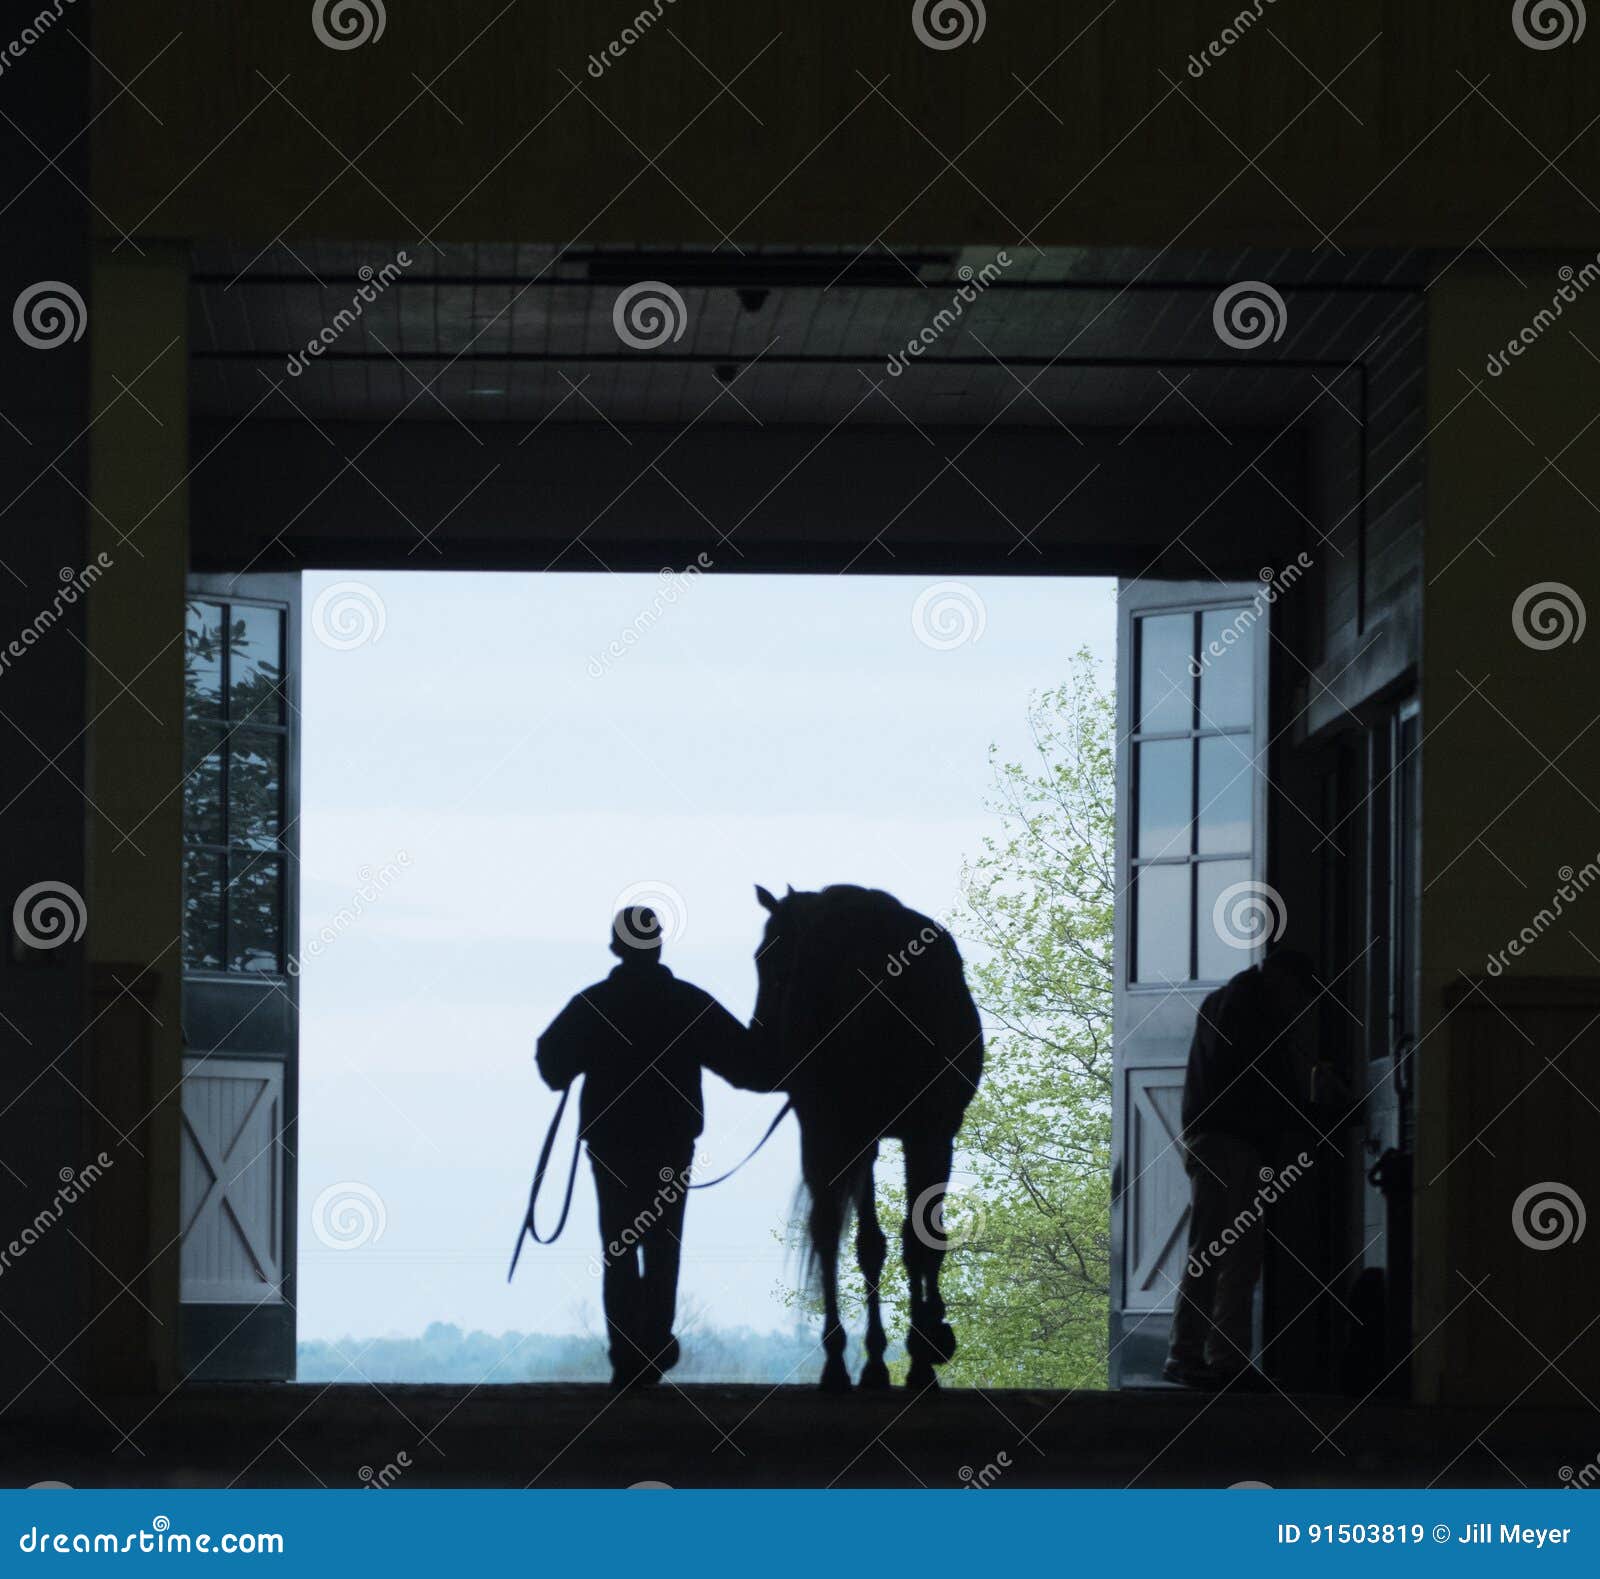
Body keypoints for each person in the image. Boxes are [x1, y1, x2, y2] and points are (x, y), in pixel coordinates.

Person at [535, 906, 752, 1389]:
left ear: (616, 948)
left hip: (611, 1147)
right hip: (670, 1147)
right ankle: (651, 1347)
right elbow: (746, 1063)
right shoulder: (687, 1003)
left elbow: (550, 1062)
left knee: (618, 1247)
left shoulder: (594, 1004)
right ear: (658, 946)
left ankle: (627, 1356)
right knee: (662, 1247)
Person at [1164, 947, 1319, 1390]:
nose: (1298, 1004)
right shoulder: (1250, 1011)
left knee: (1224, 1249)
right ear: (1282, 980)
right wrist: (1310, 1113)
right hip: (1230, 1141)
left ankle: (1210, 1355)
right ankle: (1200, 1354)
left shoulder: (1228, 1002)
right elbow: (1263, 1083)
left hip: (1217, 1138)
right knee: (1228, 1251)